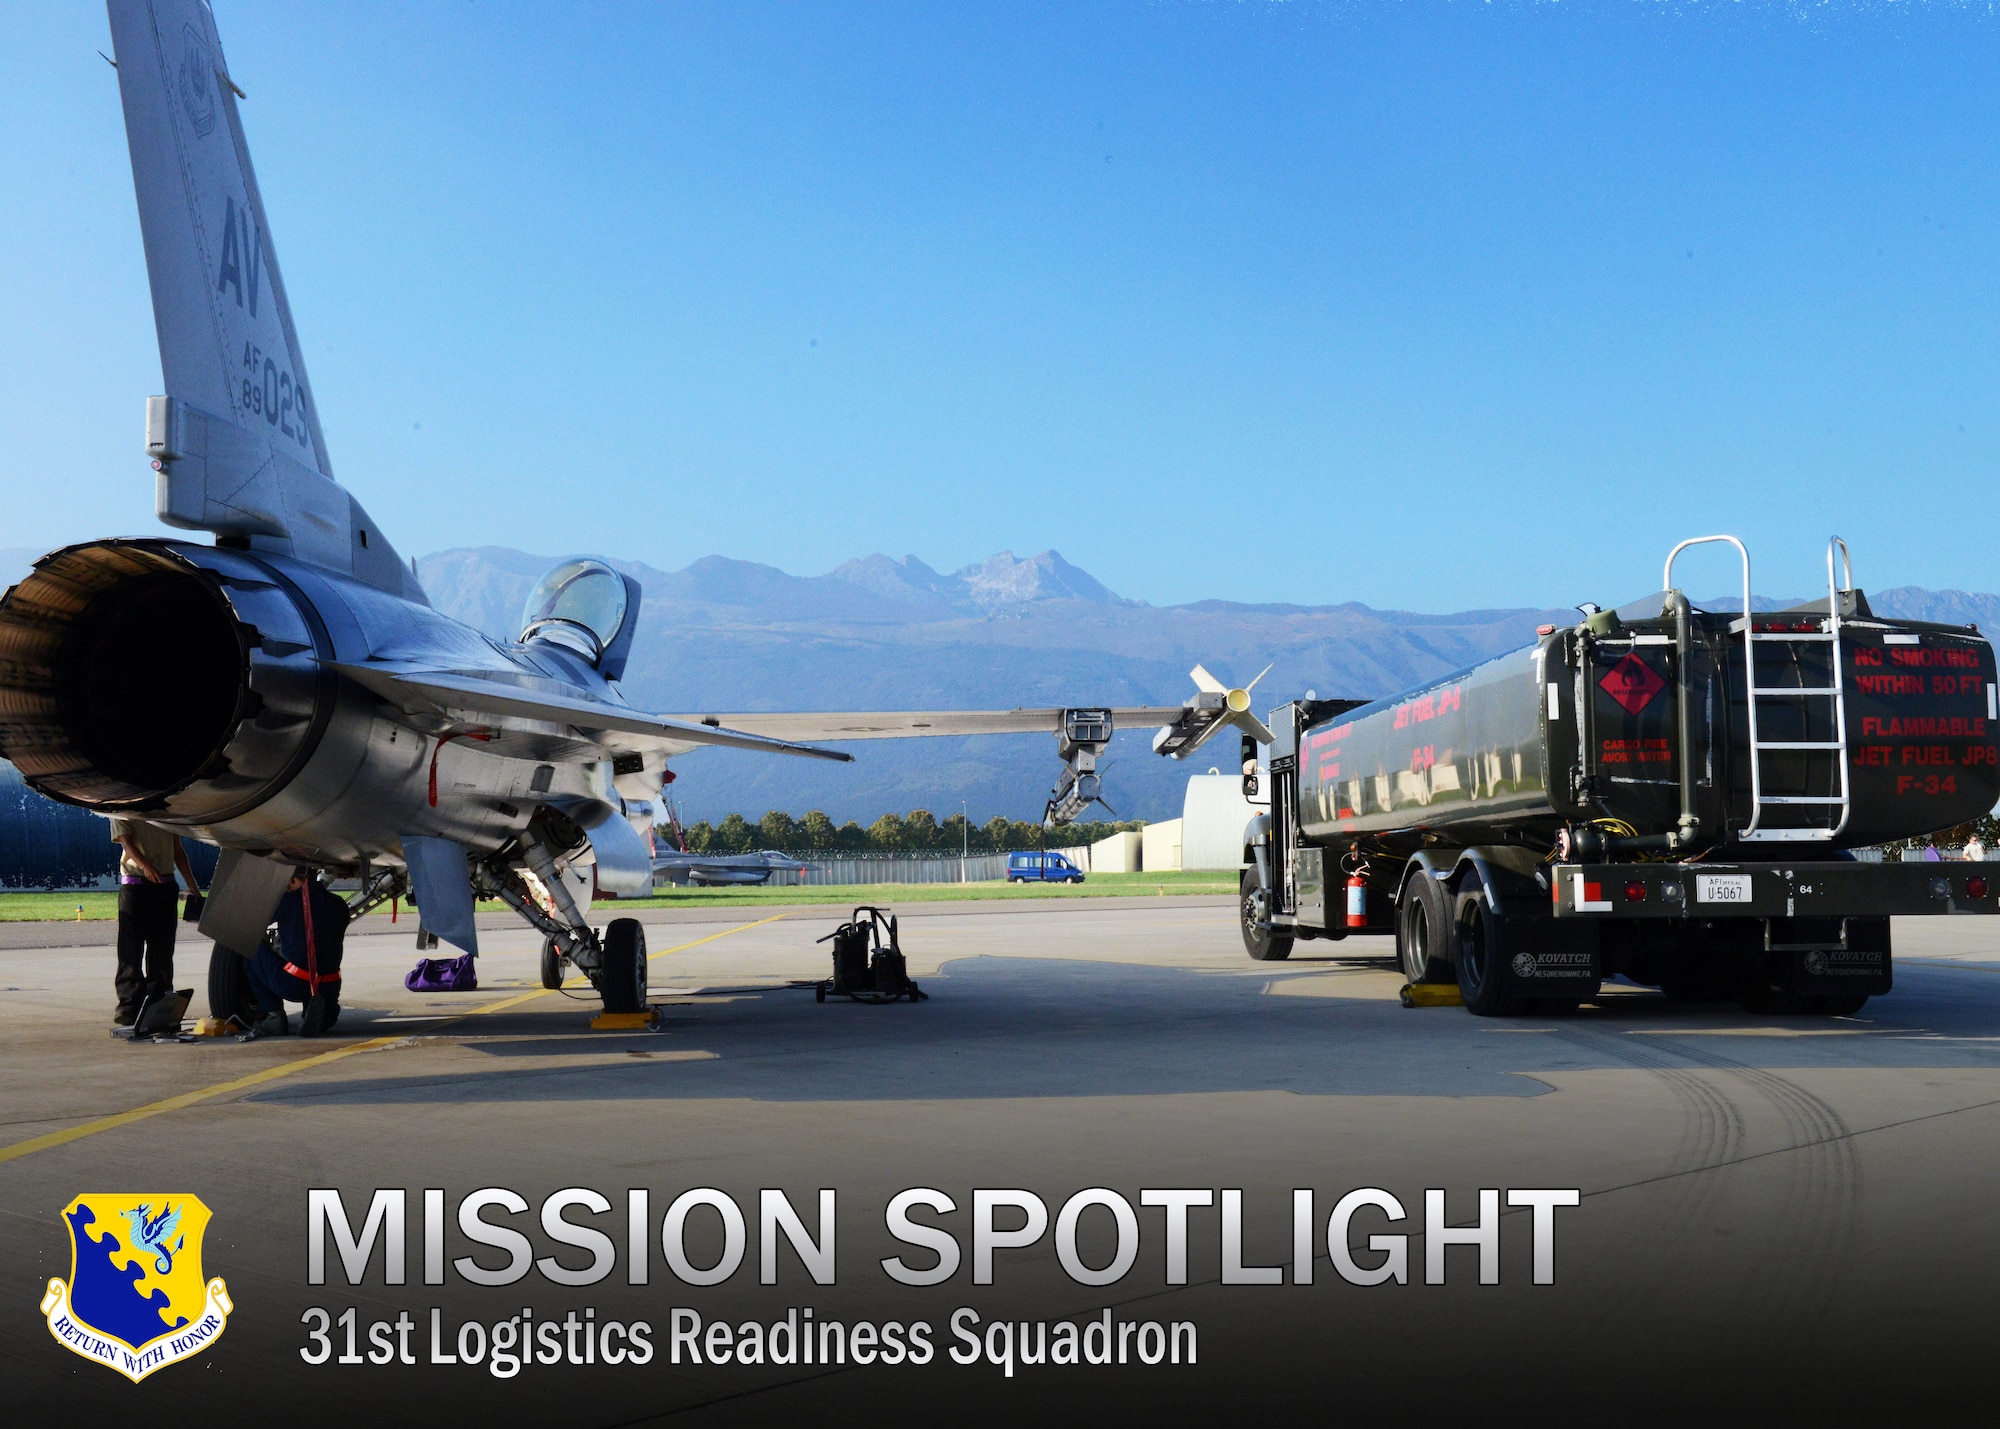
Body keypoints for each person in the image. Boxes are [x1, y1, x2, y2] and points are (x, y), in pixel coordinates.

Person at [107, 816, 199, 1029]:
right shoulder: (121, 809)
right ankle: (129, 1006)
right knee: (130, 949)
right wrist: (146, 866)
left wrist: (192, 885)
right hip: (135, 886)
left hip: (164, 885)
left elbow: (177, 850)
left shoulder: (163, 812)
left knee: (162, 950)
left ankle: (158, 1004)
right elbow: (126, 842)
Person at [244, 870, 351, 1037]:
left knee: (250, 950)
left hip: (296, 983)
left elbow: (252, 921)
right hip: (329, 985)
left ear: (293, 879)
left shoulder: (288, 902)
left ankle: (274, 1016)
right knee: (322, 959)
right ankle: (326, 1014)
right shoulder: (339, 904)